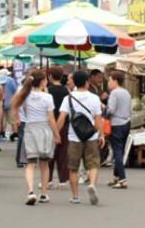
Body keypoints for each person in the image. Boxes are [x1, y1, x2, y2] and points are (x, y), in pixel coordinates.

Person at [12, 69, 60, 205]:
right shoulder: (48, 97)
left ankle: (31, 191)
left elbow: (17, 108)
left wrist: (17, 119)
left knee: (30, 164)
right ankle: (44, 194)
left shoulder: (25, 95)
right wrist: (56, 134)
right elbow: (51, 118)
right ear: (43, 81)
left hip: (30, 129)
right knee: (45, 164)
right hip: (45, 130)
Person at [57, 70, 104, 205]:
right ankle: (92, 185)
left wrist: (56, 134)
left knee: (73, 167)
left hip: (74, 137)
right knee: (93, 164)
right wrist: (101, 135)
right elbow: (98, 119)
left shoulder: (68, 98)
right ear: (86, 82)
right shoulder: (94, 98)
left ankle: (75, 196)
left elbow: (61, 118)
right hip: (91, 135)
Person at [106, 70, 132, 189]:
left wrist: (103, 109)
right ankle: (116, 177)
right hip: (126, 122)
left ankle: (122, 179)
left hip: (116, 123)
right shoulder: (126, 92)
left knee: (117, 151)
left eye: (110, 80)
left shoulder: (114, 93)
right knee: (120, 150)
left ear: (115, 81)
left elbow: (110, 109)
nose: (108, 82)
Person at [46, 67, 70, 189]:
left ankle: (48, 180)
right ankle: (62, 180)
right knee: (63, 153)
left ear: (50, 77)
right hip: (64, 124)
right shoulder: (66, 91)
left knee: (49, 153)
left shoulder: (47, 91)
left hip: (49, 124)